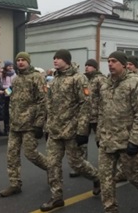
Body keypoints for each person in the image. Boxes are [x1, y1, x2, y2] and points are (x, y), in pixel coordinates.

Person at [40, 49, 100, 212]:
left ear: (66, 60)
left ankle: (97, 178)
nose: (55, 60)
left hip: (72, 130)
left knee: (77, 164)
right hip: (55, 131)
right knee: (52, 164)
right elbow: (49, 105)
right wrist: (46, 126)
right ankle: (57, 197)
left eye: (58, 58)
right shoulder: (54, 79)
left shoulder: (78, 78)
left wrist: (82, 130)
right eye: (54, 58)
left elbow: (85, 104)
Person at [97, 51, 138, 212]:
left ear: (123, 64)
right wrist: (98, 134)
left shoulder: (135, 83)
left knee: (133, 175)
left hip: (127, 139)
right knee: (106, 177)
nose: (110, 64)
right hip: (107, 139)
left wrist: (135, 139)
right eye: (108, 61)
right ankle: (110, 208)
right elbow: (101, 111)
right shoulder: (105, 84)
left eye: (114, 61)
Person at [0, 52, 48, 197]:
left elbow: (42, 101)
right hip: (15, 124)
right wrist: (10, 119)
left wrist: (39, 124)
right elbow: (13, 100)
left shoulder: (36, 77)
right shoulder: (15, 79)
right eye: (18, 60)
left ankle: (52, 169)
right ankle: (15, 184)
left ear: (28, 62)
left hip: (29, 124)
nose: (20, 62)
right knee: (11, 155)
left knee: (31, 154)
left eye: (23, 60)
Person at [69, 58, 106, 178]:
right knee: (81, 142)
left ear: (95, 67)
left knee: (100, 141)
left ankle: (105, 167)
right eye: (86, 65)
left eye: (89, 66)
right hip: (84, 116)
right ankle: (82, 166)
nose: (87, 67)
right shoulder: (83, 79)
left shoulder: (100, 79)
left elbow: (105, 97)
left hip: (97, 116)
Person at [1, 60, 16, 135]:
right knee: (6, 111)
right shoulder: (3, 74)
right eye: (9, 66)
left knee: (13, 111)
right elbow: (2, 84)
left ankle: (12, 126)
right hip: (6, 94)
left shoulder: (14, 74)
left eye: (11, 66)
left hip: (14, 94)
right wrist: (8, 87)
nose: (11, 67)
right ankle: (6, 127)